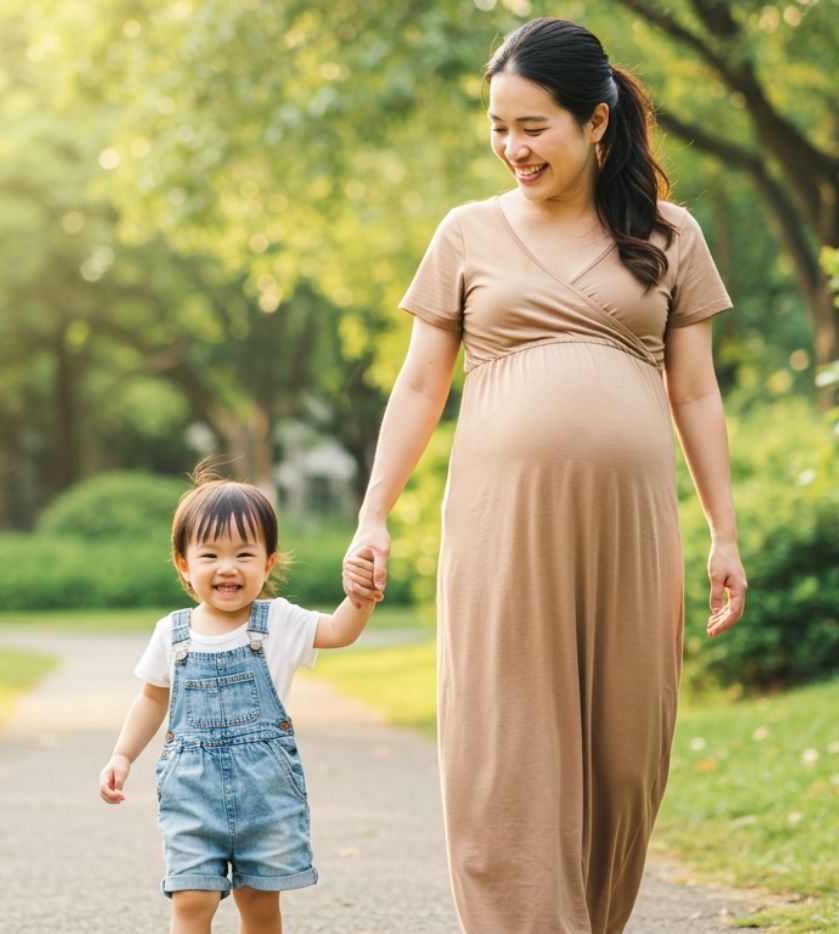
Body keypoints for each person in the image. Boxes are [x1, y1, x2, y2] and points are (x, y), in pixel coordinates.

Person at [340, 17, 749, 934]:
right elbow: (417, 385)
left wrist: (723, 533)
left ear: (596, 122)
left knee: (624, 758)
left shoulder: (671, 236)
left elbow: (696, 395)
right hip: (502, 526)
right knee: (505, 752)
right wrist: (374, 514)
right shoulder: (466, 234)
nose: (511, 147)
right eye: (498, 126)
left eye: (533, 127)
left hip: (632, 529)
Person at [99, 461, 377, 934]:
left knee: (259, 903)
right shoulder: (173, 632)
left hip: (264, 798)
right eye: (210, 556)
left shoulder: (280, 622)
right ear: (184, 565)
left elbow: (337, 631)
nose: (227, 568)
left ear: (268, 563)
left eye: (244, 555)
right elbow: (151, 698)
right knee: (192, 899)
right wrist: (122, 755)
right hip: (192, 796)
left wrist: (361, 597)